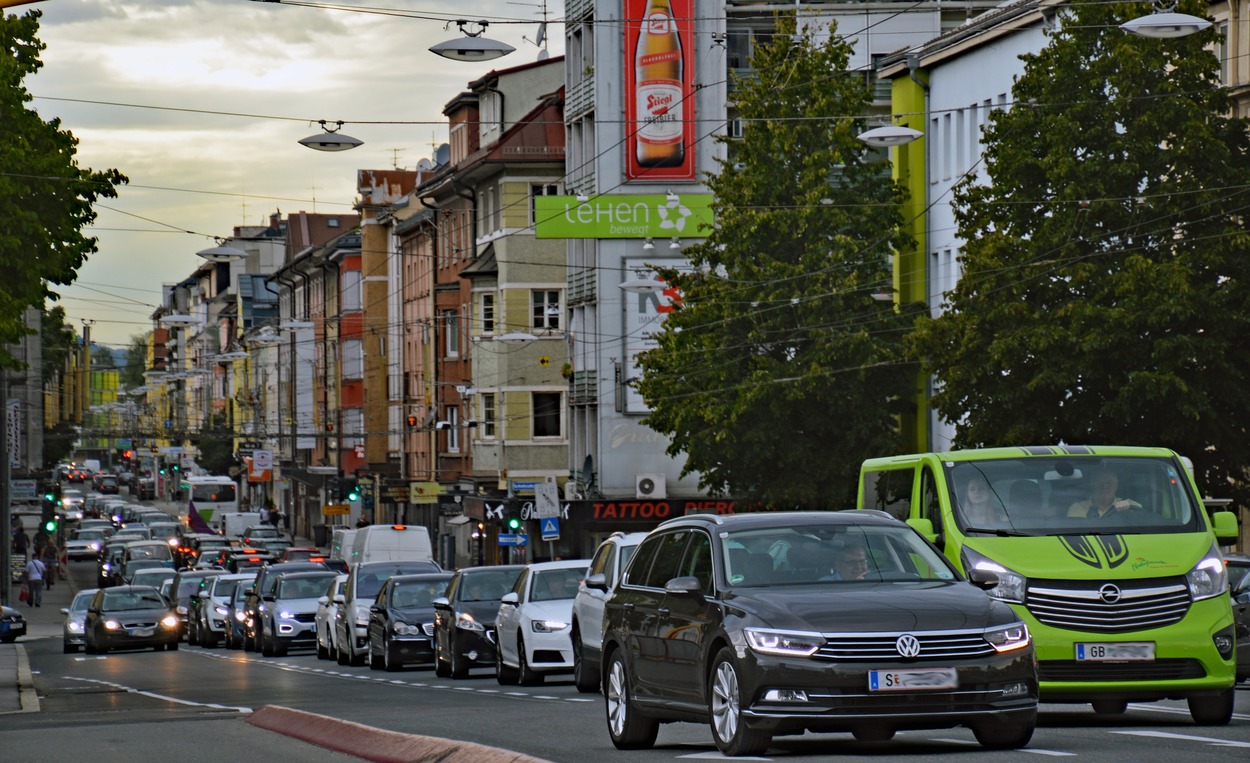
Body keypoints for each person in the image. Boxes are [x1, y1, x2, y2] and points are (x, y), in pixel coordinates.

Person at [1068, 467, 1141, 519]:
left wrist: (1128, 512)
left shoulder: (1130, 505)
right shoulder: (1078, 508)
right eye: (1099, 483)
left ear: (1116, 486)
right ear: (1092, 486)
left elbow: (1142, 521)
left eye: (1109, 483)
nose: (1104, 486)